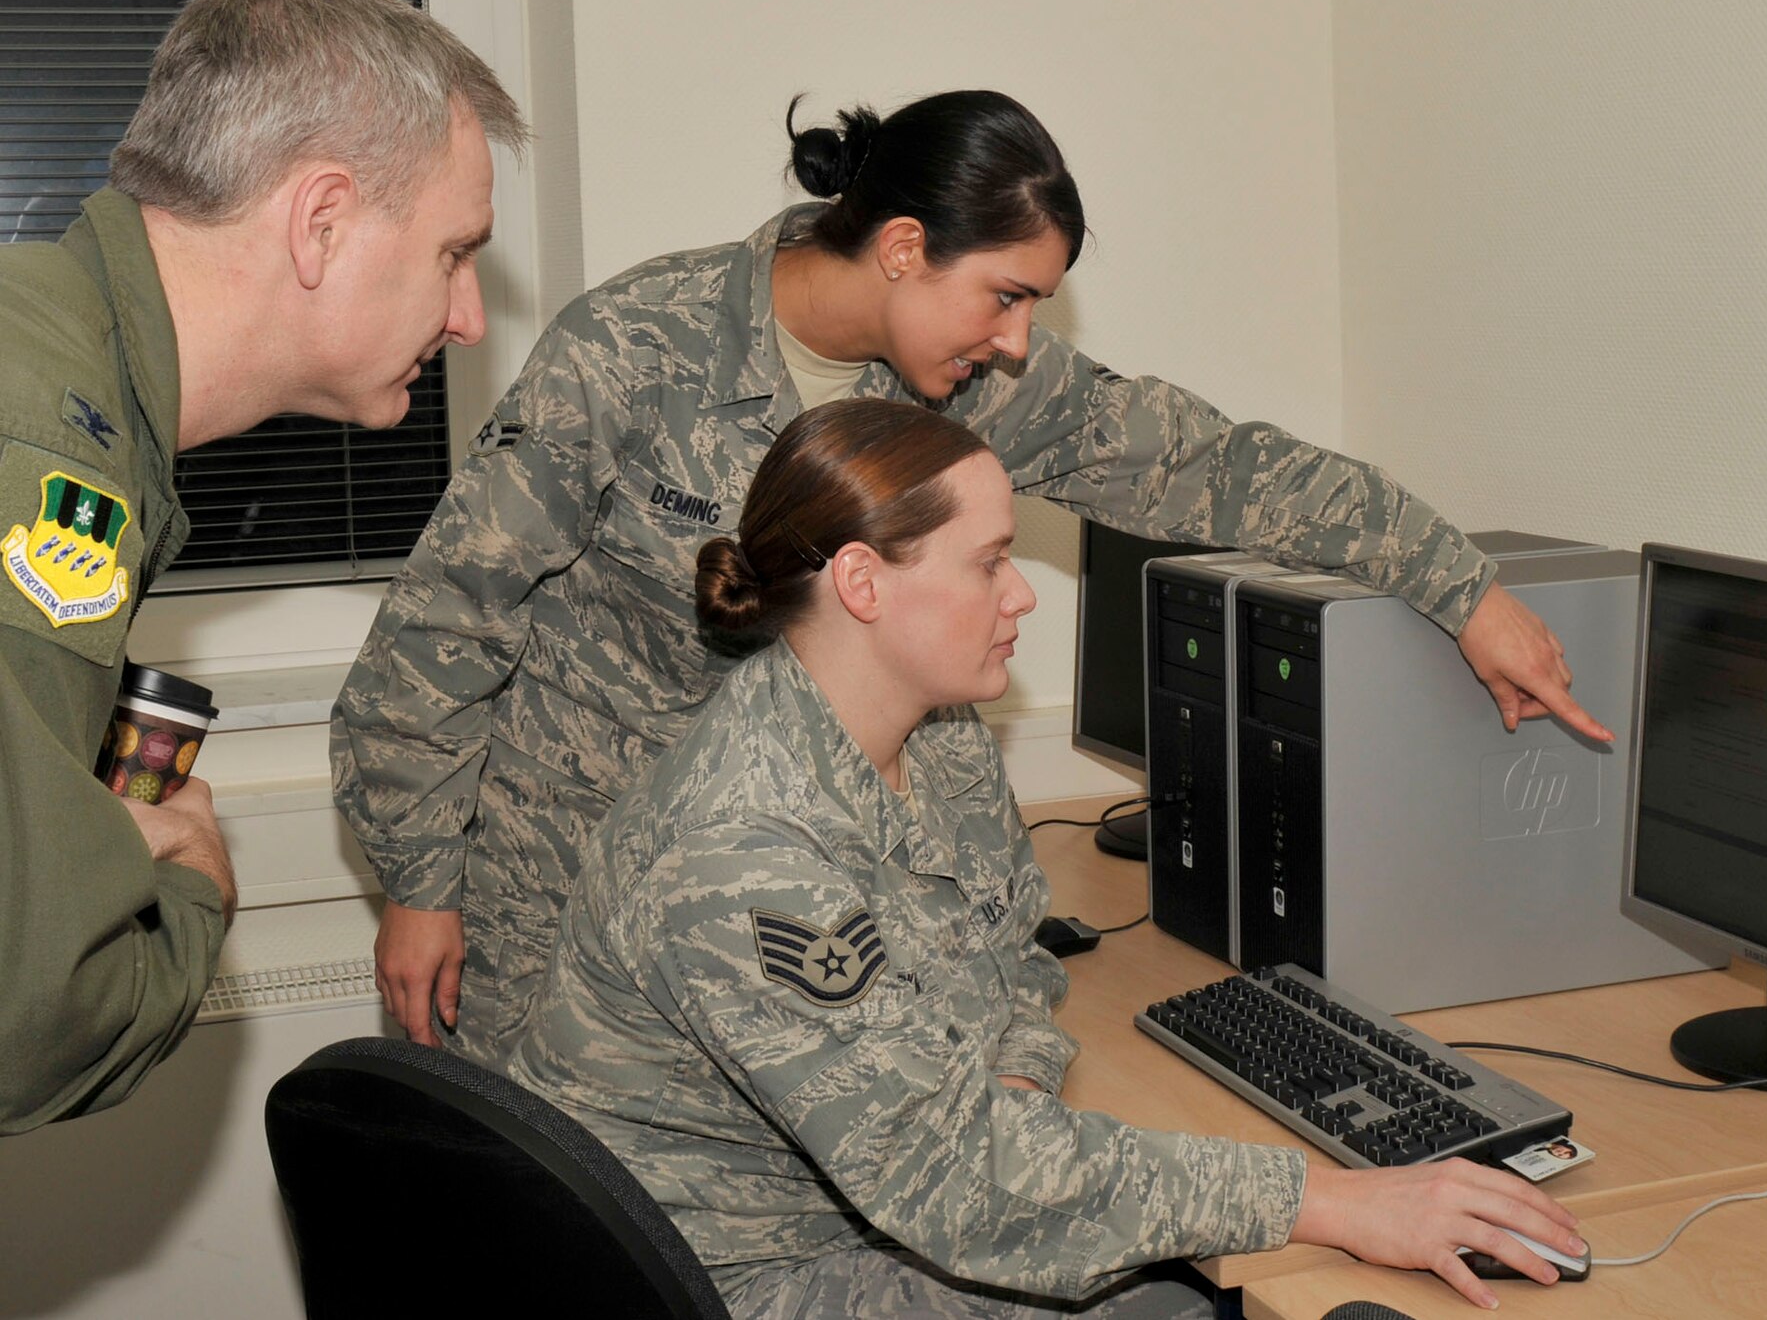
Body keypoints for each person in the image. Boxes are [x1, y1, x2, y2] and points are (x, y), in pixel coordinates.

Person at [334, 89, 1613, 1065]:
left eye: (1035, 307)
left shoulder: (980, 381)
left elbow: (1217, 469)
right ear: (899, 245)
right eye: (1003, 296)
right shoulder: (632, 352)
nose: (1016, 340)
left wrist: (1461, 586)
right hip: (569, 887)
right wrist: (419, 885)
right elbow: (451, 617)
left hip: (817, 906)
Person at [509, 399, 1587, 1317]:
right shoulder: (742, 853)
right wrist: (1335, 1197)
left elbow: (1009, 955)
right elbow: (955, 1182)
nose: (1020, 593)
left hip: (879, 1206)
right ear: (861, 581)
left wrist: (1015, 1081)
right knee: (1201, 1295)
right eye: (988, 562)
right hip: (750, 1282)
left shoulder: (928, 734)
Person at [0, 0, 528, 1134]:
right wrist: (191, 890)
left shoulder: (55, 364)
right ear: (320, 220)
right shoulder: (43, 449)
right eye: (454, 251)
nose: (468, 316)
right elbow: (26, 1020)